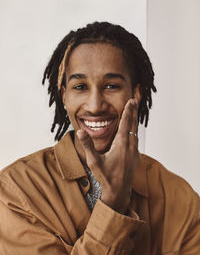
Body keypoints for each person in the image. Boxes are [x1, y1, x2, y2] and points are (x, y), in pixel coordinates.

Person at [0, 21, 199, 254]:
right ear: (64, 95)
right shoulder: (17, 191)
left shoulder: (179, 198)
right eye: (80, 86)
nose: (95, 106)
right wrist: (113, 203)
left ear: (135, 93)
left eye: (111, 86)